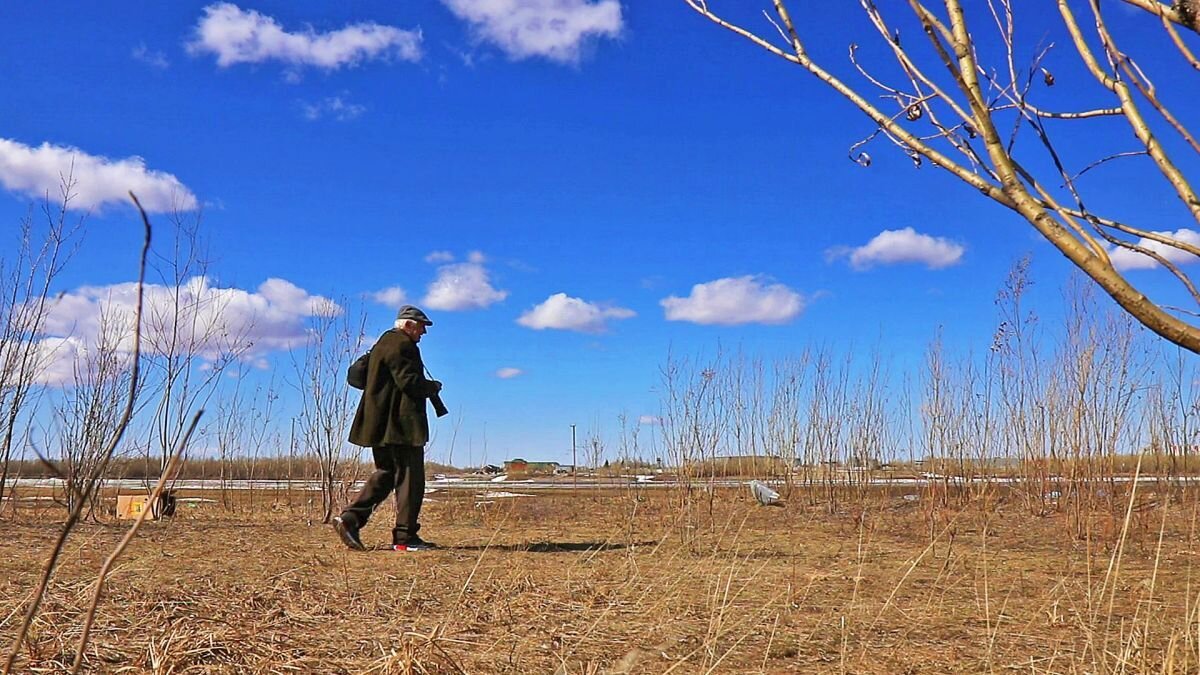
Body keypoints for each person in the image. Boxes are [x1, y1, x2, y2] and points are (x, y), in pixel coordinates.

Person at [334, 305, 443, 552]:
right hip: (400, 426)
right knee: (411, 480)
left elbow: (357, 378)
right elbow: (409, 382)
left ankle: (350, 520)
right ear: (408, 325)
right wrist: (432, 387)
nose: (424, 332)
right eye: (421, 326)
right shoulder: (403, 345)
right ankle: (405, 538)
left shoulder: (381, 345)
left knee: (387, 473)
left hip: (379, 425)